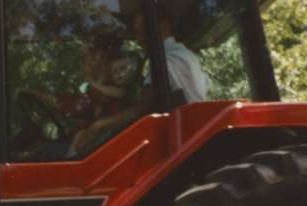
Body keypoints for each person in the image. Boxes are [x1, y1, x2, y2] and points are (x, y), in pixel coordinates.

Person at [72, 4, 209, 154]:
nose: (139, 38)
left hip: (183, 143)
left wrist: (101, 125)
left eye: (144, 29)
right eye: (137, 32)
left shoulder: (169, 59)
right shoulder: (180, 55)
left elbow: (145, 107)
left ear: (165, 24)